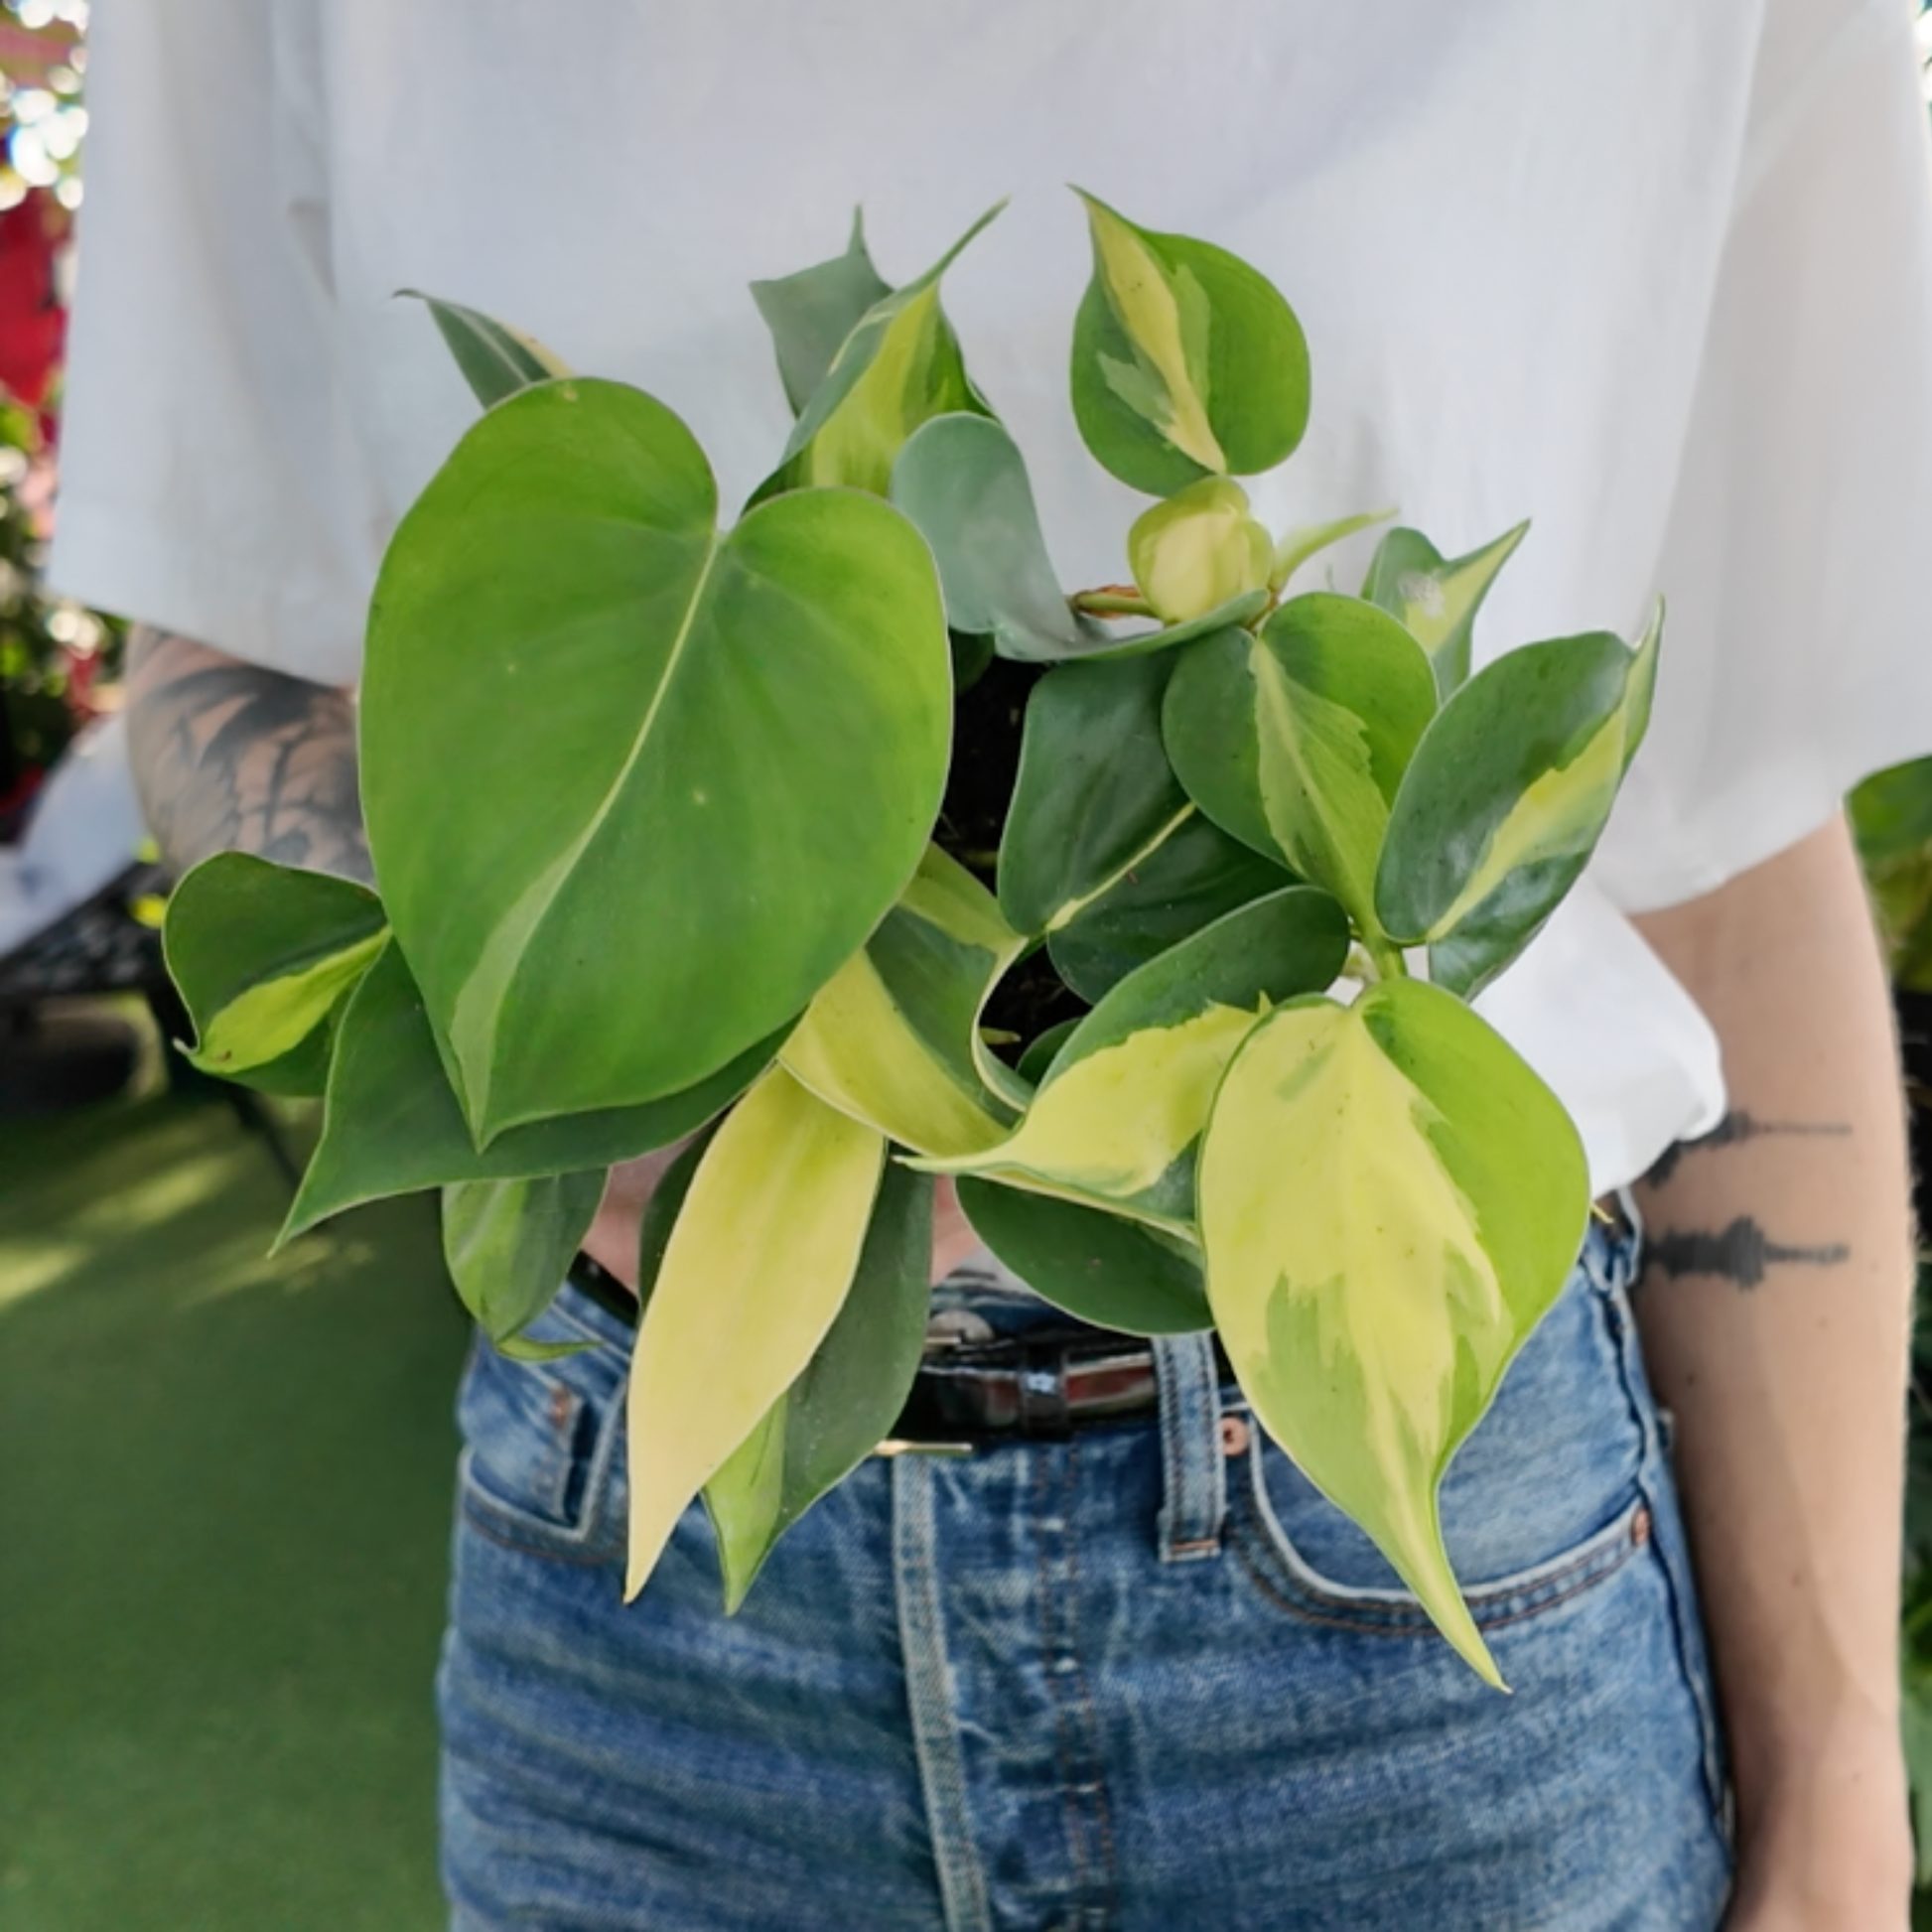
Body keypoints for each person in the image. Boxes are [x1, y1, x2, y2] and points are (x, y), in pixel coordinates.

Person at [50, 0, 1932, 1923]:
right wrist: (565, 994)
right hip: (652, 1546)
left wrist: (1844, 1781)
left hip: (1399, 1596)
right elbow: (234, 634)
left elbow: (1713, 839)